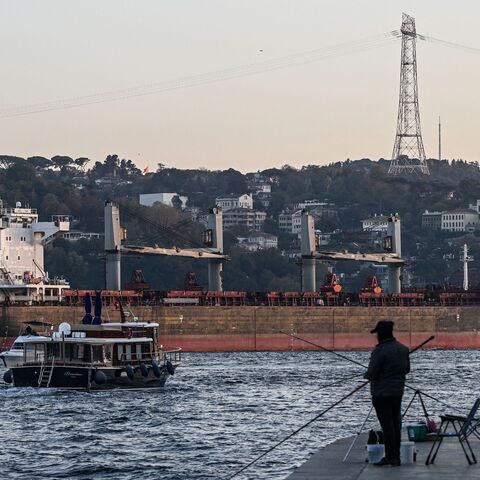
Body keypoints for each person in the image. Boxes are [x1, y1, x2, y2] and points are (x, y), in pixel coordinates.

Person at [364, 320, 410, 467]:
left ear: (381, 334)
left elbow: (372, 373)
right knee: (396, 424)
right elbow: (406, 369)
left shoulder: (379, 351)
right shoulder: (403, 349)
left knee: (387, 426)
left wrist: (367, 375)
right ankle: (396, 456)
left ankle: (390, 457)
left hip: (381, 394)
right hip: (398, 392)